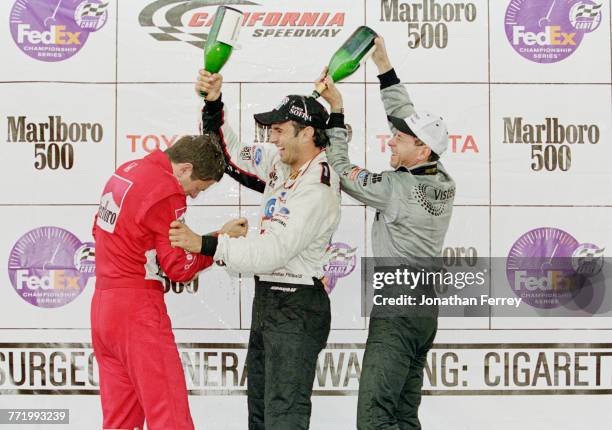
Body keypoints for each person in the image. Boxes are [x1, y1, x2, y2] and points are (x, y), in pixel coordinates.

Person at [168, 71, 342, 429]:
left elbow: (270, 253)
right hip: (269, 300)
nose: (272, 138)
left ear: (307, 133)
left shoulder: (317, 188)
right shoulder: (282, 164)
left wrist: (206, 243)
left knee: (284, 416)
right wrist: (213, 102)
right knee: (261, 414)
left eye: (279, 130)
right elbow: (227, 152)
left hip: (297, 304)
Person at [318, 37, 456, 430]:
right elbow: (407, 117)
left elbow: (342, 171)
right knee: (403, 418)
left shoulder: (397, 189)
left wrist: (337, 113)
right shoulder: (443, 180)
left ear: (422, 152)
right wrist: (384, 65)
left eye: (399, 139)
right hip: (424, 313)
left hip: (396, 312)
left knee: (374, 420)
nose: (390, 140)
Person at [91, 134, 248, 430]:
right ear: (185, 169)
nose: (193, 196)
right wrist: (219, 241)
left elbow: (98, 231)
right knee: (171, 417)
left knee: (120, 421)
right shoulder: (166, 190)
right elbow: (179, 268)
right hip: (136, 311)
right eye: (197, 189)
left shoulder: (126, 170)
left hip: (102, 309)